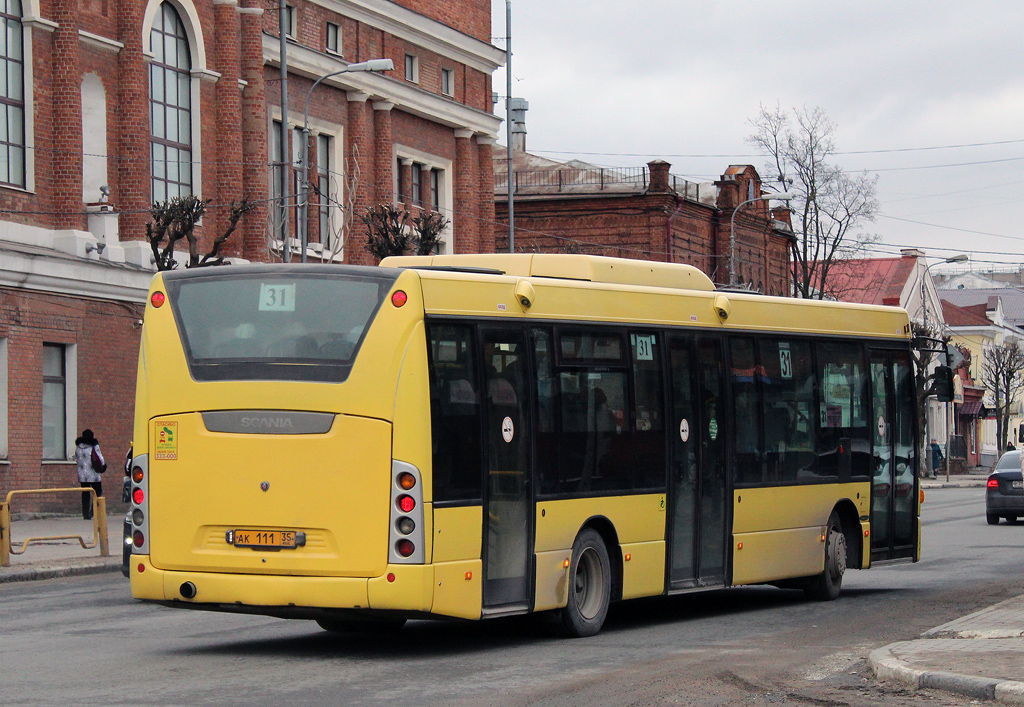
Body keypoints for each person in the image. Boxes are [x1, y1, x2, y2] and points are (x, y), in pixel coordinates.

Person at [75, 429, 106, 520]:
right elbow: (100, 458)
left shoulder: (78, 446)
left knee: (85, 493)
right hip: (93, 473)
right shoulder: (94, 445)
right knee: (97, 492)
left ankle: (85, 514)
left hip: (82, 474)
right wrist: (103, 466)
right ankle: (93, 511)